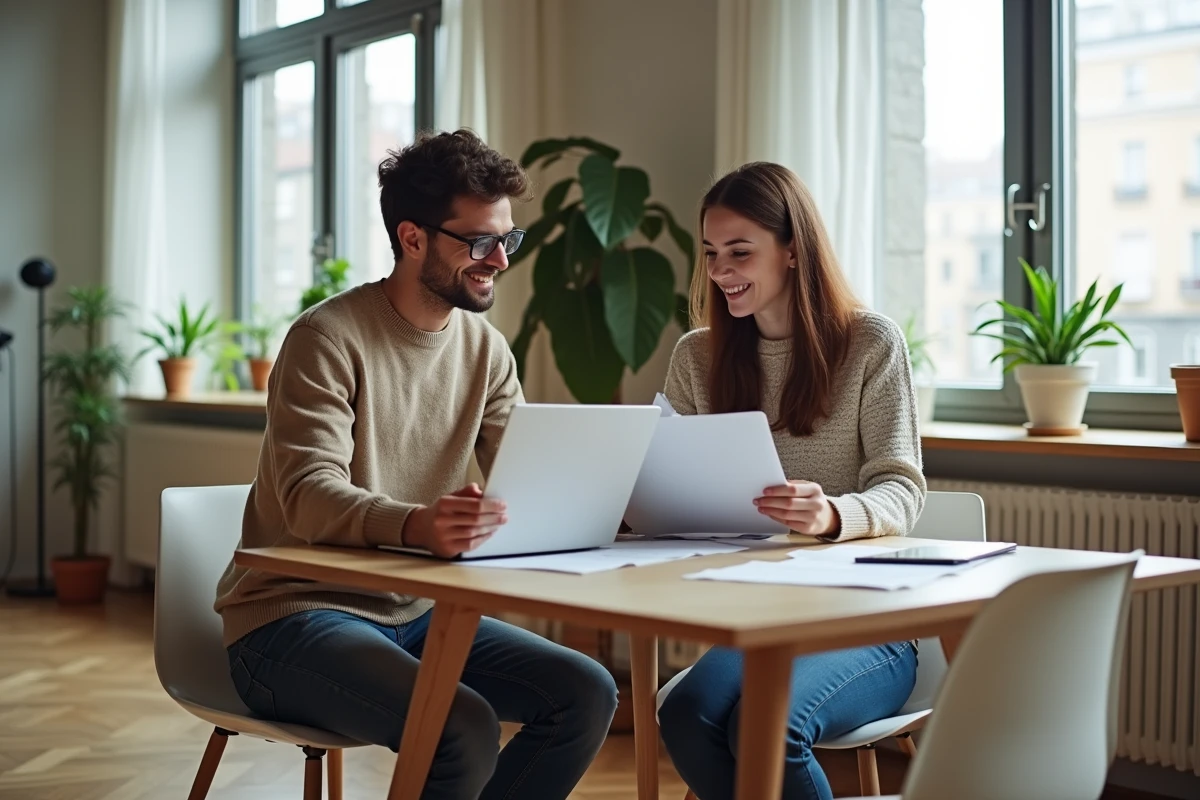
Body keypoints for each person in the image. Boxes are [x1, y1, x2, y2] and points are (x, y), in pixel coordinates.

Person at [214, 129, 618, 800]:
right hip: (289, 618)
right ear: (413, 238)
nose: (500, 261)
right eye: (480, 242)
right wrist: (420, 526)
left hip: (417, 613)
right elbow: (308, 497)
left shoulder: (486, 350)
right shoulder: (326, 338)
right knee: (458, 726)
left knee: (585, 692)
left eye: (507, 240)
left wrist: (616, 499)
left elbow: (530, 471)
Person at [655, 162, 927, 800]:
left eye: (741, 252)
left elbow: (902, 488)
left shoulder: (870, 343)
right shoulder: (698, 356)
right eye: (712, 254)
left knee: (766, 727)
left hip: (868, 623)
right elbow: (670, 482)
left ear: (794, 252)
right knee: (687, 715)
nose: (721, 272)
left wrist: (831, 514)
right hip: (759, 620)